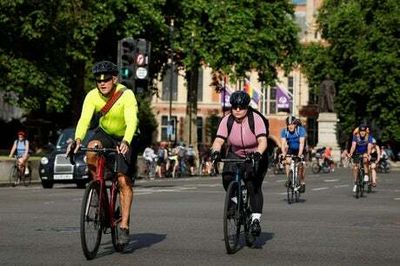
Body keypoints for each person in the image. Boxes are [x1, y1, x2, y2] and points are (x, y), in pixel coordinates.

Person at [66, 60, 138, 245]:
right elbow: (84, 120)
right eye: (98, 81)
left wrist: (126, 142)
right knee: (92, 148)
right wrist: (78, 139)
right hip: (105, 133)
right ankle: (97, 186)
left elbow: (132, 121)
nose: (102, 83)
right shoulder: (92, 96)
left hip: (125, 135)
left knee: (123, 181)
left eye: (106, 79)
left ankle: (123, 226)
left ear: (114, 79)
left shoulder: (126, 95)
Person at [210, 90, 268, 237]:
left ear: (247, 107)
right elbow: (218, 140)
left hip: (255, 153)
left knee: (252, 185)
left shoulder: (255, 119)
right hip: (235, 152)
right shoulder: (227, 120)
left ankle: (255, 220)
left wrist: (258, 154)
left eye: (241, 107)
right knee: (227, 177)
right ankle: (236, 199)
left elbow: (263, 141)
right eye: (234, 107)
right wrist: (216, 151)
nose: (237, 110)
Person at [280, 115, 307, 192]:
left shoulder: (300, 130)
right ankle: (289, 179)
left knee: (301, 166)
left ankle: (302, 182)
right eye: (288, 124)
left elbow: (302, 143)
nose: (290, 126)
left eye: (292, 124)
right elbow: (283, 144)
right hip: (291, 149)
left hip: (300, 149)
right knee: (287, 161)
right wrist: (283, 154)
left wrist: (299, 155)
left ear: (295, 125)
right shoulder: (284, 131)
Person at [348, 125, 373, 193]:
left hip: (365, 152)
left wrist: (368, 154)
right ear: (359, 131)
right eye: (361, 131)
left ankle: (366, 174)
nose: (362, 133)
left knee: (365, 159)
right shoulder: (356, 136)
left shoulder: (369, 137)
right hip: (357, 153)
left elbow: (369, 147)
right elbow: (353, 146)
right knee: (355, 168)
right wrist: (350, 153)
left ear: (366, 132)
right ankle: (356, 183)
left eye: (364, 131)